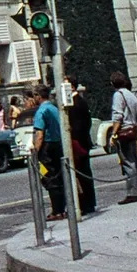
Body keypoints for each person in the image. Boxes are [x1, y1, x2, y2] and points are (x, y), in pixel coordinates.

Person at [28, 84, 65, 221]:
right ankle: (62, 208)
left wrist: (35, 152)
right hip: (57, 144)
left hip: (47, 148)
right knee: (59, 177)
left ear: (38, 96)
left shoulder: (41, 111)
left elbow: (39, 134)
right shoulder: (54, 109)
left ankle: (57, 210)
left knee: (49, 177)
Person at [109, 71, 137, 205]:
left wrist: (113, 133)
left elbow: (117, 116)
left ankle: (134, 192)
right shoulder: (131, 94)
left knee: (128, 162)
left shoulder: (118, 95)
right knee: (135, 160)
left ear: (113, 84)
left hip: (124, 131)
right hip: (133, 130)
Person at [65, 79, 97, 216]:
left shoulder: (77, 103)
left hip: (79, 143)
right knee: (81, 173)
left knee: (82, 173)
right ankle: (86, 203)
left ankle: (86, 204)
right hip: (81, 142)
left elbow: (80, 125)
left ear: (71, 86)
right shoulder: (76, 102)